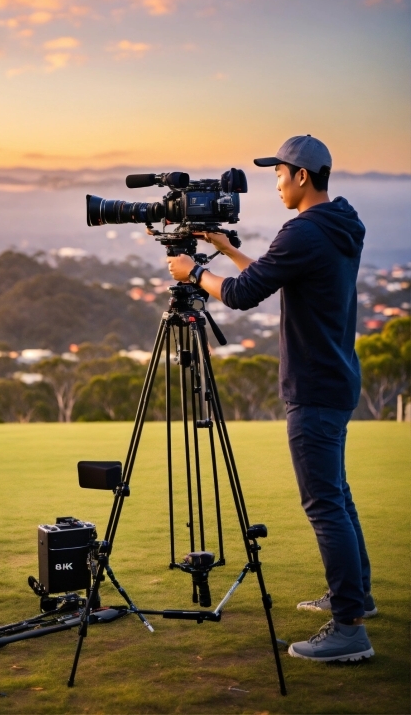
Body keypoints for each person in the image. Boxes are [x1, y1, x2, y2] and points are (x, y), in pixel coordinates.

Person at [166, 134, 376, 662]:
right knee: (339, 497)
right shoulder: (340, 223)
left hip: (312, 385)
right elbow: (274, 274)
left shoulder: (303, 231)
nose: (276, 183)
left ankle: (349, 628)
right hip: (337, 378)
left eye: (280, 174)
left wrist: (193, 272)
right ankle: (357, 599)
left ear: (302, 176)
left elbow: (240, 294)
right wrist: (230, 250)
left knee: (324, 505)